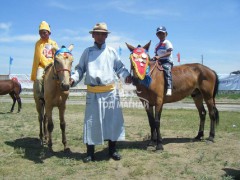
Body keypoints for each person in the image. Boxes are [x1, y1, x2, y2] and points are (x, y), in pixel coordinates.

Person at [70, 22, 132, 163]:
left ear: (106, 36)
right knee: (91, 122)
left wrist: (126, 76)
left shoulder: (111, 52)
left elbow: (120, 68)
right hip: (93, 93)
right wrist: (72, 80)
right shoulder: (87, 52)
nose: (100, 36)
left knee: (112, 122)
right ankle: (90, 153)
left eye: (103, 34)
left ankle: (112, 150)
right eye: (97, 33)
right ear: (93, 35)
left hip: (110, 92)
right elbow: (80, 69)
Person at [31, 21, 58, 100]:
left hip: (53, 66)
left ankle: (63, 94)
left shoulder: (53, 43)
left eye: (44, 33)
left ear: (49, 33)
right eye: (40, 33)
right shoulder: (38, 44)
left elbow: (57, 55)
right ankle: (41, 96)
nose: (42, 35)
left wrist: (52, 64)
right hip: (42, 66)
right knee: (39, 78)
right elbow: (39, 56)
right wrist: (46, 64)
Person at [153, 26, 173, 96]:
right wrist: (154, 58)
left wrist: (159, 57)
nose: (161, 35)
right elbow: (156, 54)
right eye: (159, 34)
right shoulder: (156, 45)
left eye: (162, 33)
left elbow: (169, 53)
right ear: (157, 35)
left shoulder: (167, 42)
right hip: (159, 61)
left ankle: (169, 88)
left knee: (167, 70)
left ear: (166, 34)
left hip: (167, 61)